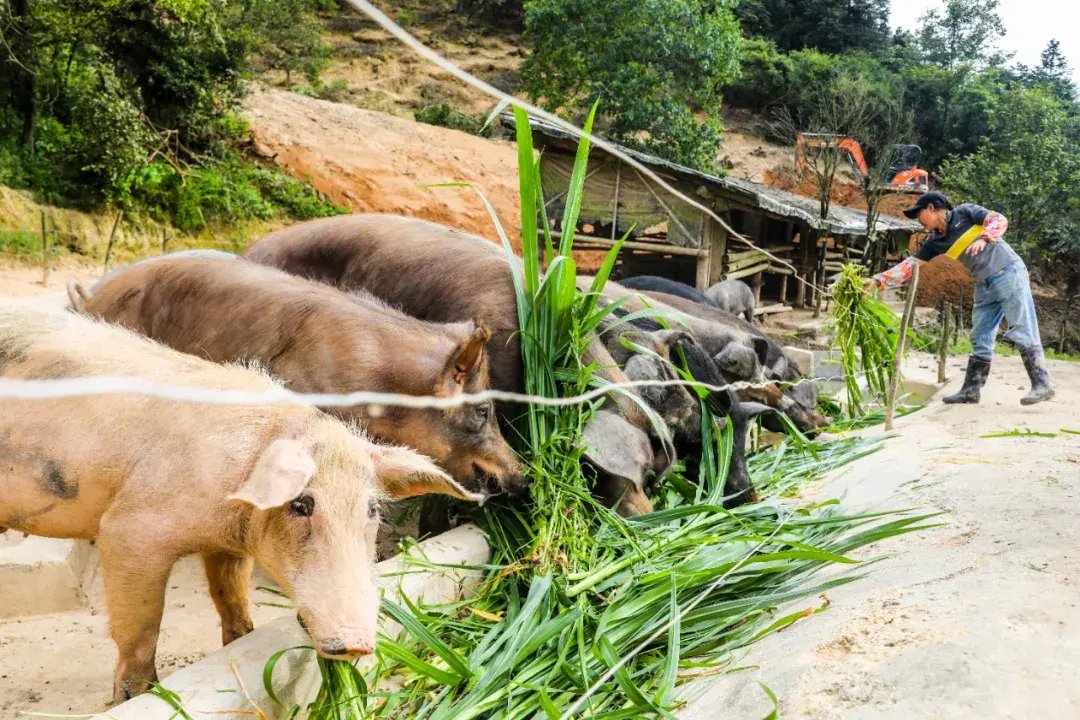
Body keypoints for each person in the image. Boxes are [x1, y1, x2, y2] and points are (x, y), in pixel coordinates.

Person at [864, 191, 1054, 406]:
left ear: (932, 208)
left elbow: (998, 220)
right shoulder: (936, 241)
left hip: (1008, 272)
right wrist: (878, 280)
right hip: (984, 282)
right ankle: (971, 391)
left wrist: (985, 238)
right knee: (980, 334)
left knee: (1021, 325)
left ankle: (1042, 384)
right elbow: (910, 266)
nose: (918, 220)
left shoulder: (965, 213)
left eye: (919, 214)